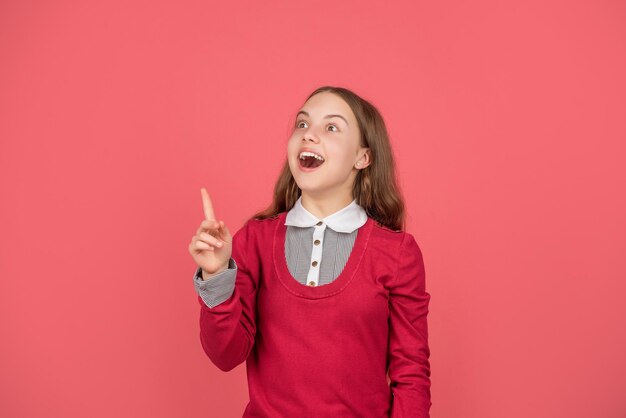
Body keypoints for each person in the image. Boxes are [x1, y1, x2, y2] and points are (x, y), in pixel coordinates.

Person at [188, 86, 432, 417]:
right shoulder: (254, 241)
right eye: (302, 125)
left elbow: (411, 376)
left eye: (331, 127)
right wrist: (216, 276)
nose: (309, 135)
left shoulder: (397, 253)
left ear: (363, 157)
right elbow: (226, 354)